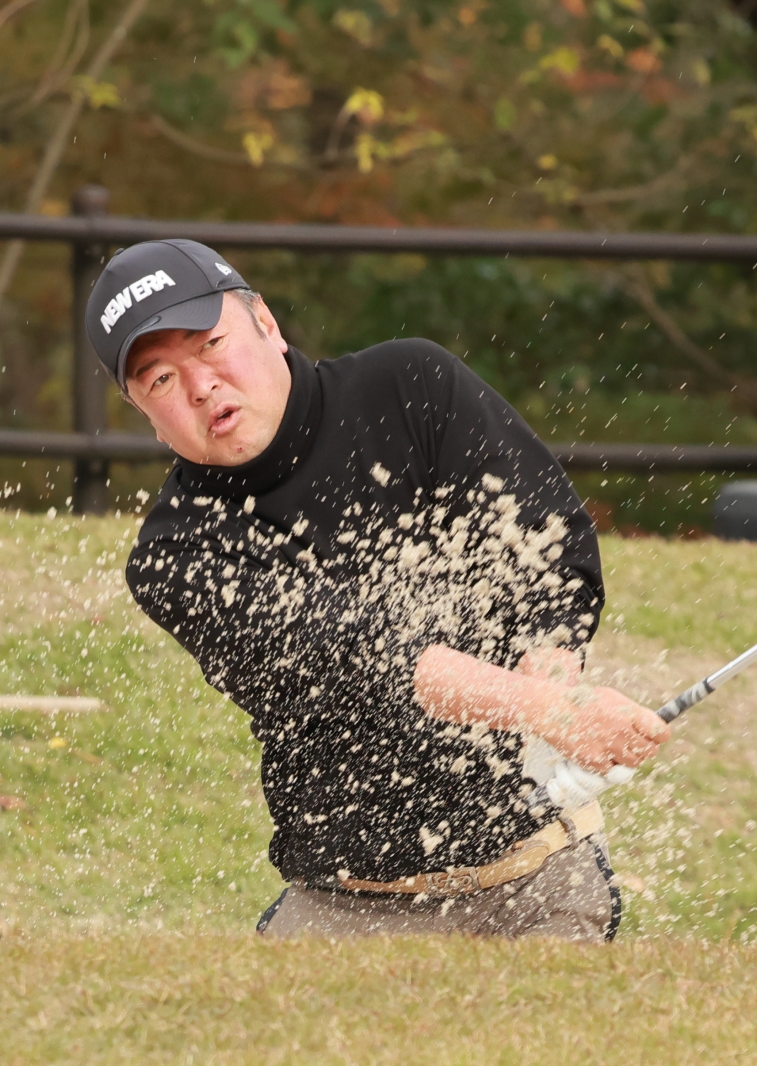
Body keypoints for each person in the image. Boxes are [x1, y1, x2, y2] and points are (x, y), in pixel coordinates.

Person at [84, 239, 669, 942]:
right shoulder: (176, 557)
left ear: (265, 323)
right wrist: (551, 710)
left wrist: (552, 673)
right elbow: (371, 659)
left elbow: (547, 544)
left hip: (539, 876)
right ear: (145, 415)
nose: (201, 385)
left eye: (211, 344)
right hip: (346, 904)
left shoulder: (411, 385)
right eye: (160, 381)